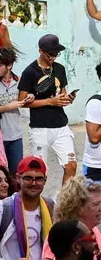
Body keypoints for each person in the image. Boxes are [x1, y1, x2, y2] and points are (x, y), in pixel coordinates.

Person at [19, 34, 76, 184]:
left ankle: (65, 205)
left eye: (56, 54)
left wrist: (67, 98)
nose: (53, 57)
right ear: (40, 51)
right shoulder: (30, 72)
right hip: (40, 128)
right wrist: (50, 101)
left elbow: (62, 93)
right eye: (50, 54)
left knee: (71, 166)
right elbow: (21, 102)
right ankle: (37, 205)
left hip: (61, 125)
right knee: (39, 174)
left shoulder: (60, 69)